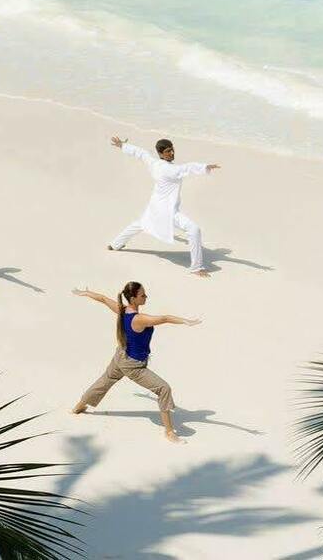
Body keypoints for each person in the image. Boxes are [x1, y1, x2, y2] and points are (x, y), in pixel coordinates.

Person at [71, 282, 201, 442]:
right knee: (163, 389)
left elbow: (104, 299)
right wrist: (186, 321)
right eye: (143, 295)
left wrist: (86, 293)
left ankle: (78, 407)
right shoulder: (140, 319)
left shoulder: (122, 310)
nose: (146, 297)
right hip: (133, 365)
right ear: (133, 298)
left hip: (120, 356)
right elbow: (165, 318)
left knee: (104, 381)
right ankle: (169, 432)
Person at [106, 136, 218, 276]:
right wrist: (204, 167)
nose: (171, 153)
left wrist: (123, 145)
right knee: (194, 229)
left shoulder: (154, 163)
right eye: (168, 151)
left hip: (155, 208)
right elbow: (187, 168)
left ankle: (115, 244)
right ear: (160, 154)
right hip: (167, 212)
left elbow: (141, 153)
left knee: (140, 224)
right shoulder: (170, 170)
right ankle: (196, 267)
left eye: (172, 150)